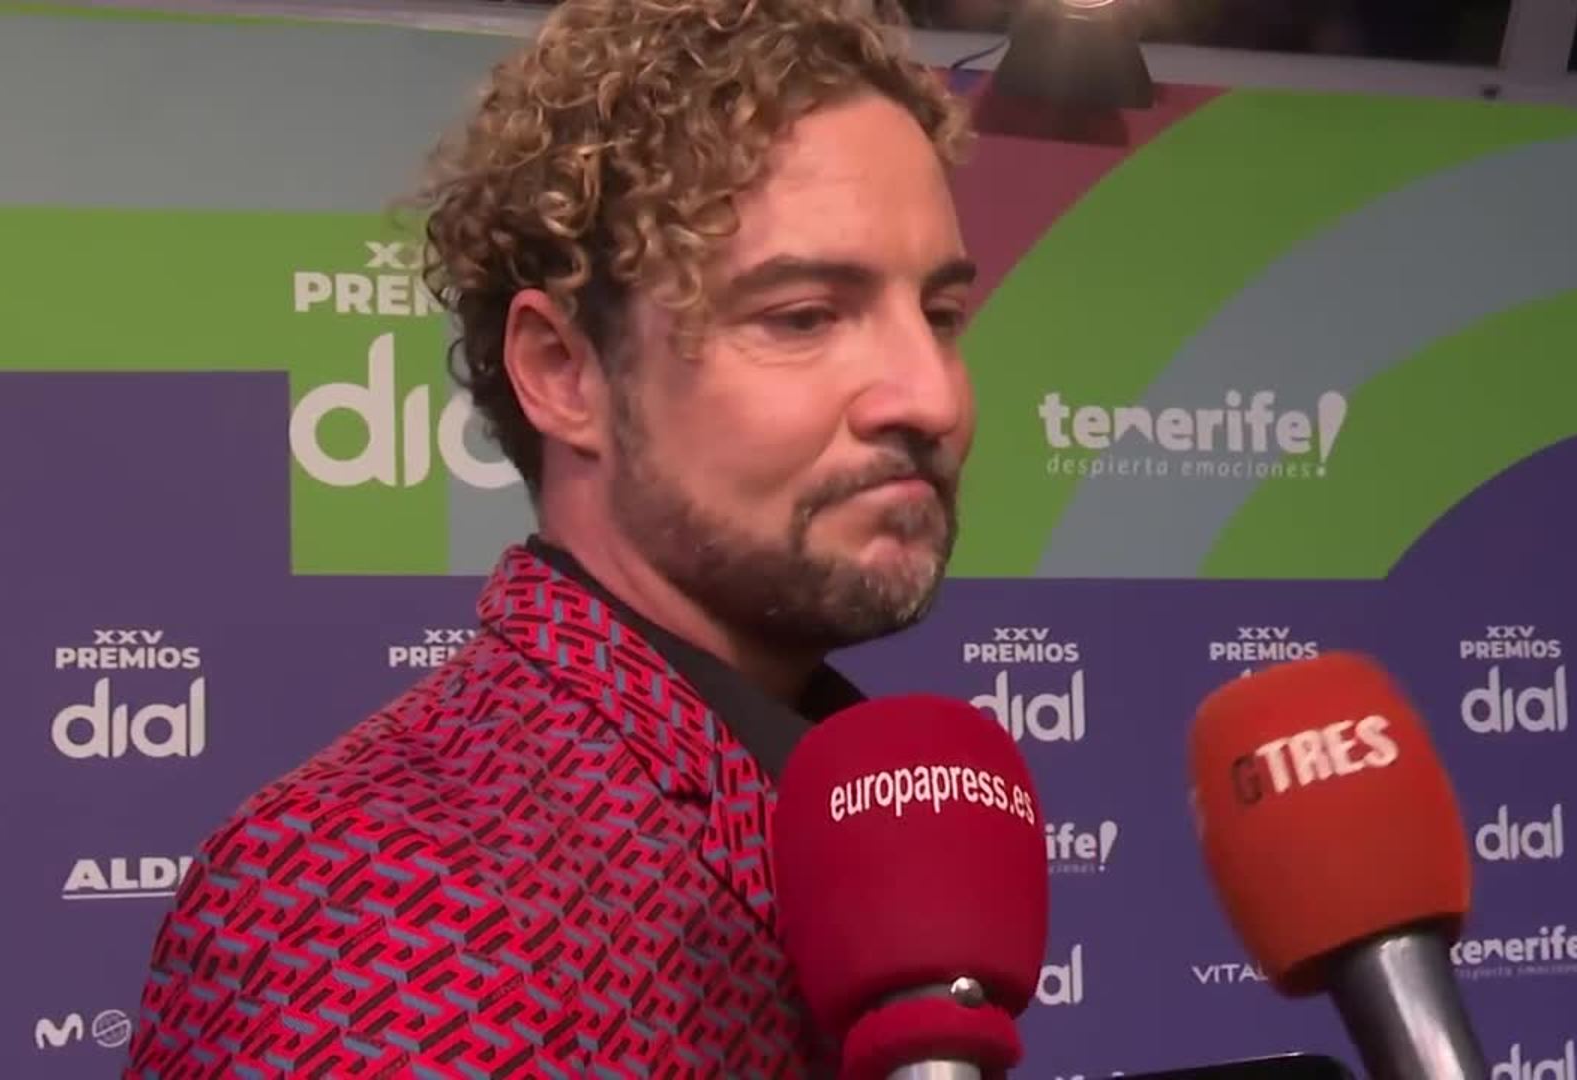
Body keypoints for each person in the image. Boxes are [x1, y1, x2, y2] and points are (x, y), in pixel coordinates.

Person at [123, 0, 977, 1076]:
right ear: (562, 372)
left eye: (941, 317)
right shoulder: (369, 907)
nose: (930, 395)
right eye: (803, 316)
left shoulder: (860, 827)